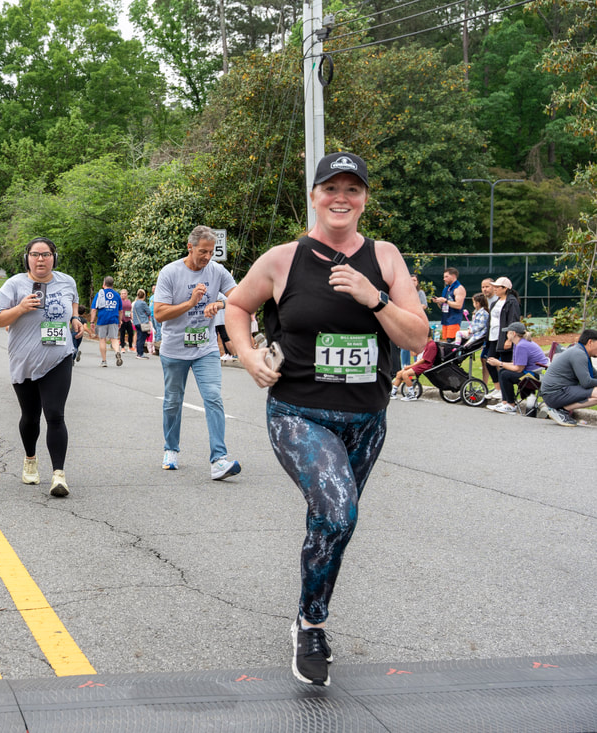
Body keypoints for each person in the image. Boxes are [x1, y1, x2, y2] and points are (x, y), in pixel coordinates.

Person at [224, 152, 428, 687]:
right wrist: (247, 354)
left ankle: (305, 613)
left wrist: (375, 298)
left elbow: (417, 336)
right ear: (314, 196)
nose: (341, 198)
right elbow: (237, 306)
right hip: (298, 412)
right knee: (337, 514)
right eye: (330, 188)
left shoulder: (385, 257)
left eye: (352, 189)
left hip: (366, 419)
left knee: (334, 522)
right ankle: (313, 626)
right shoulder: (282, 259)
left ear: (364, 199)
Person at [0, 237, 82, 497]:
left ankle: (58, 475)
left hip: (58, 357)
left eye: (46, 254)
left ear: (54, 257)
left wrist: (75, 317)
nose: (41, 259)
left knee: (55, 414)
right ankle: (30, 458)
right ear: (27, 258)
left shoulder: (67, 281)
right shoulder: (14, 285)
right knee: (30, 416)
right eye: (35, 254)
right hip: (25, 361)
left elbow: (73, 300)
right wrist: (20, 308)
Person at [151, 225, 241, 480]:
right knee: (173, 401)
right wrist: (191, 303)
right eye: (203, 251)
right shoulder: (170, 272)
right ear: (189, 247)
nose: (207, 257)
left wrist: (220, 303)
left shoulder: (217, 271)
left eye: (211, 252)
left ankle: (219, 460)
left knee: (213, 397)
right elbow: (159, 313)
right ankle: (171, 450)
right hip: (174, 349)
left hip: (205, 348)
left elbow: (241, 297)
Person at [486, 322, 548, 415]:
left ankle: (511, 405)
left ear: (513, 333)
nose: (506, 334)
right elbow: (516, 364)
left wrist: (499, 363)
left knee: (505, 374)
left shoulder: (522, 345)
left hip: (535, 375)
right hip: (529, 372)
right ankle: (505, 402)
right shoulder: (518, 344)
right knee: (502, 371)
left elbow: (518, 369)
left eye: (508, 332)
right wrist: (499, 363)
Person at [540, 329, 597, 426]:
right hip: (553, 394)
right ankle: (561, 411)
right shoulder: (579, 354)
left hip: (557, 392)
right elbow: (586, 382)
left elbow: (594, 375)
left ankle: (561, 410)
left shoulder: (581, 352)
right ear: (590, 342)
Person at [486, 276, 520, 399]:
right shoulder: (495, 302)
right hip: (493, 337)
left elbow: (513, 320)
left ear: (505, 288)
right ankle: (498, 389)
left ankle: (507, 397)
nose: (494, 289)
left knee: (505, 367)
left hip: (504, 338)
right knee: (489, 362)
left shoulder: (511, 302)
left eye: (497, 287)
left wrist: (509, 339)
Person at [389, 329, 437, 401]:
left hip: (424, 365)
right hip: (419, 364)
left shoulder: (431, 345)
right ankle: (393, 393)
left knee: (405, 374)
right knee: (399, 374)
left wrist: (410, 366)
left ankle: (411, 395)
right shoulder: (425, 344)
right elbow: (415, 354)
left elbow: (423, 360)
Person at [91, 276, 123, 367]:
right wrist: (120, 321)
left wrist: (92, 322)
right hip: (113, 319)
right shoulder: (117, 295)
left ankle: (104, 361)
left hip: (102, 319)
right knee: (114, 339)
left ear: (104, 284)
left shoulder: (100, 294)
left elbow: (94, 309)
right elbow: (120, 310)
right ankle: (117, 352)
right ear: (112, 284)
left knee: (102, 339)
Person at [434, 267, 466, 341]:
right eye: (444, 277)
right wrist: (438, 301)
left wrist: (446, 301)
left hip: (454, 319)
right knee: (445, 341)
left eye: (446, 277)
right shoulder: (446, 289)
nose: (444, 279)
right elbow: (442, 306)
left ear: (453, 276)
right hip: (445, 319)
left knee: (451, 341)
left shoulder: (459, 288)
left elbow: (459, 305)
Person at [132, 289, 152, 359]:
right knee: (142, 338)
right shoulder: (143, 303)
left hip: (136, 322)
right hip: (143, 322)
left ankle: (138, 353)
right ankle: (141, 353)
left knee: (139, 337)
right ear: (144, 296)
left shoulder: (135, 303)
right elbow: (149, 312)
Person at [119, 288, 135, 353]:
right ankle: (122, 347)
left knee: (131, 333)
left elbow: (130, 310)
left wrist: (132, 318)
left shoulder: (129, 301)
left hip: (128, 319)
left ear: (127, 294)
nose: (123, 295)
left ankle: (130, 346)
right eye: (122, 294)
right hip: (122, 319)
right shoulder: (119, 301)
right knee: (122, 333)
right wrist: (119, 320)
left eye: (124, 293)